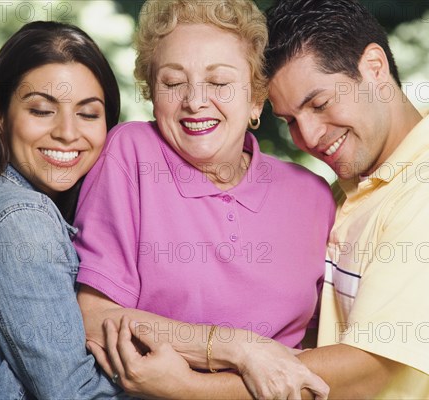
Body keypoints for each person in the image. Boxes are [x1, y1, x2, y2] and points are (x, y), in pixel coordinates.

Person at [73, 0, 334, 398]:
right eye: (174, 83)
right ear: (152, 93)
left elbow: (326, 347)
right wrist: (237, 348)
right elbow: (93, 318)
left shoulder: (313, 196)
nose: (195, 101)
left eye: (219, 82)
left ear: (256, 99)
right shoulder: (131, 155)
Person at [263, 0, 429, 398]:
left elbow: (371, 372)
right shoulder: (351, 188)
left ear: (375, 68)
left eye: (319, 104)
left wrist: (190, 385)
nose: (309, 137)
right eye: (290, 121)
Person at [0, 21, 126, 399]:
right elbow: (76, 394)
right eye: (41, 110)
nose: (68, 133)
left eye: (88, 114)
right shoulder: (19, 218)